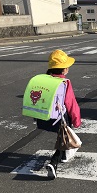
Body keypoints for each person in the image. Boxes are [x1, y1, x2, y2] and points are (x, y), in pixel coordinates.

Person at [36, 49, 81, 179]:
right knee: (64, 139)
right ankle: (53, 162)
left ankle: (64, 156)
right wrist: (76, 120)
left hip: (45, 117)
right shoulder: (64, 82)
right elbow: (71, 102)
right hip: (60, 118)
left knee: (63, 138)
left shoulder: (43, 80)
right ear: (64, 70)